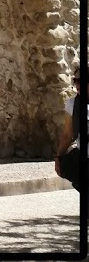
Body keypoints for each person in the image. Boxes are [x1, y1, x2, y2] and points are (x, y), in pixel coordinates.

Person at [55, 61, 85, 190]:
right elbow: (68, 134)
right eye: (76, 81)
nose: (78, 84)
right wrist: (58, 157)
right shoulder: (72, 104)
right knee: (67, 164)